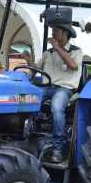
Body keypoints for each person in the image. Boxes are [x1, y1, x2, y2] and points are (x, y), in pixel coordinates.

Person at [25, 21, 83, 162]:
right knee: (28, 100)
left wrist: (57, 48)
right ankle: (29, 135)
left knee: (56, 107)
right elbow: (35, 69)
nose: (52, 34)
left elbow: (73, 66)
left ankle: (58, 147)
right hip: (47, 87)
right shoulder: (48, 53)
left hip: (65, 88)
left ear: (65, 33)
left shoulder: (76, 51)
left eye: (55, 31)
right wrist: (28, 60)